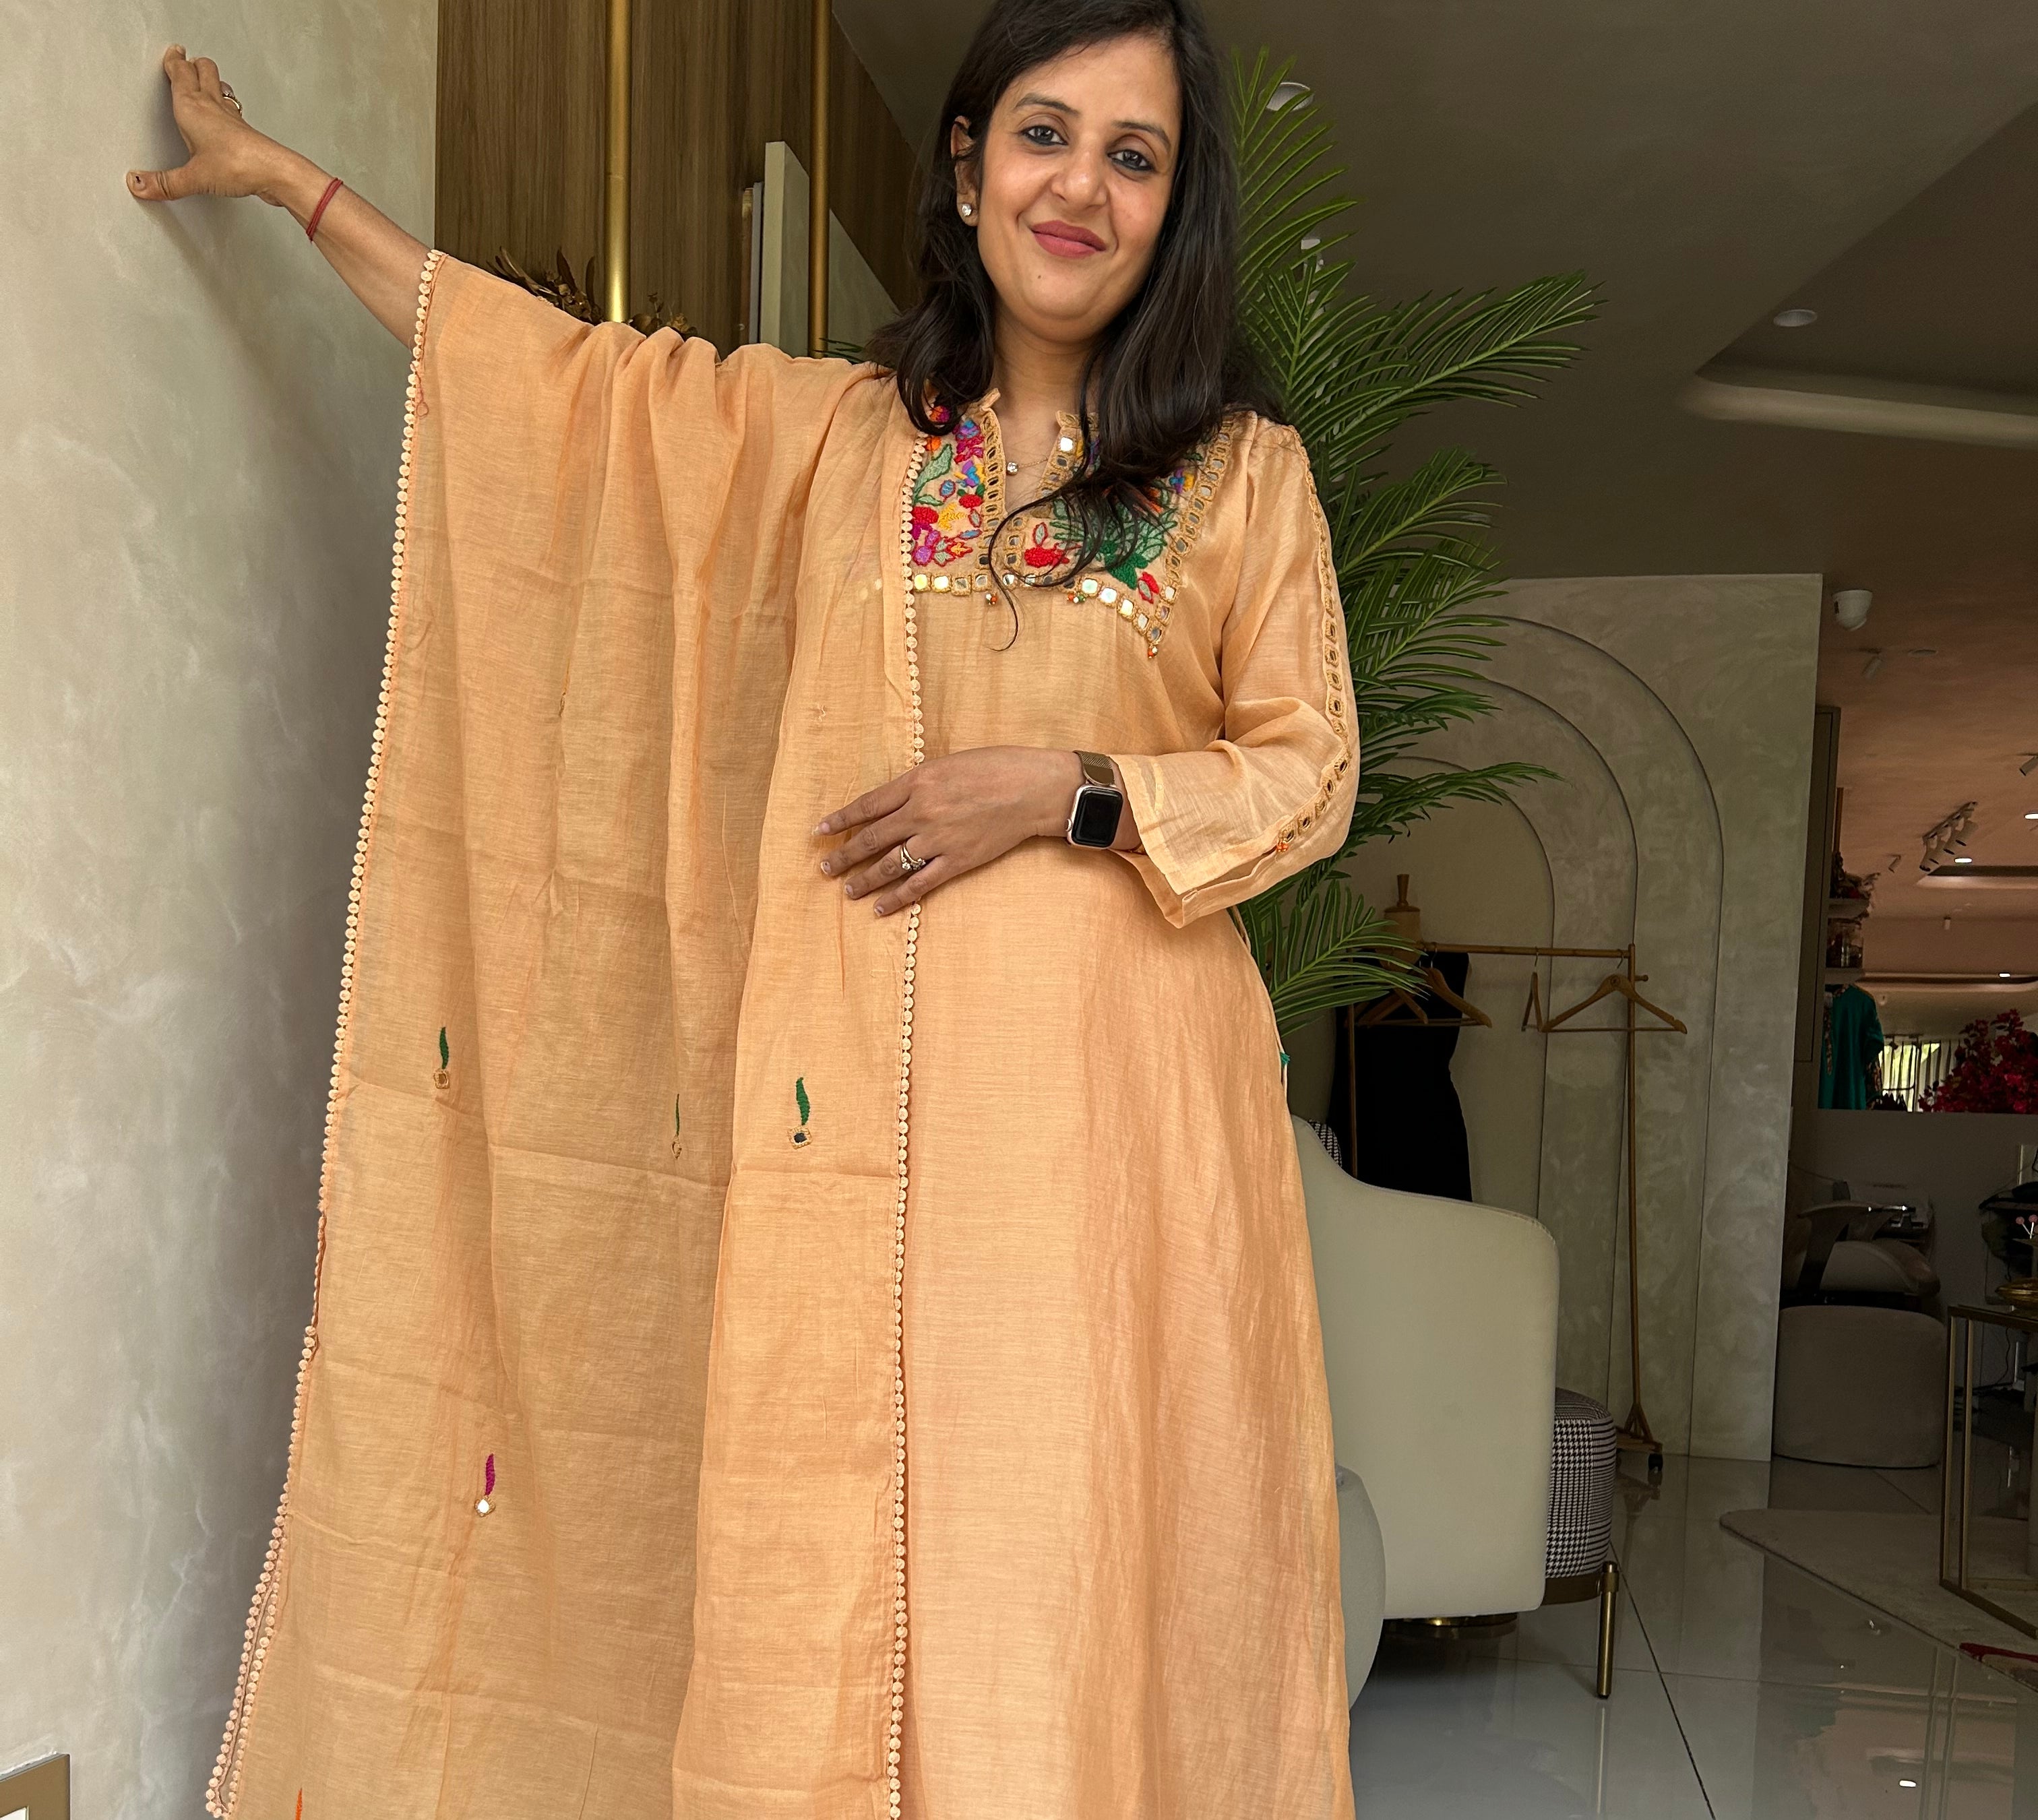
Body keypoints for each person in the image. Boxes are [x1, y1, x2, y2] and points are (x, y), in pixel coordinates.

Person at [131, 2, 1359, 1815]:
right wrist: (293, 188)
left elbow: (1307, 771)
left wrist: (1071, 790)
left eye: (1135, 155)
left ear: (1177, 210)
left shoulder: (1243, 477)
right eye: (1045, 133)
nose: (1080, 188)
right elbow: (561, 397)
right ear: (968, 167)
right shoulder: (831, 442)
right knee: (849, 1531)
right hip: (845, 1121)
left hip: (1121, 1143)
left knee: (1071, 1545)